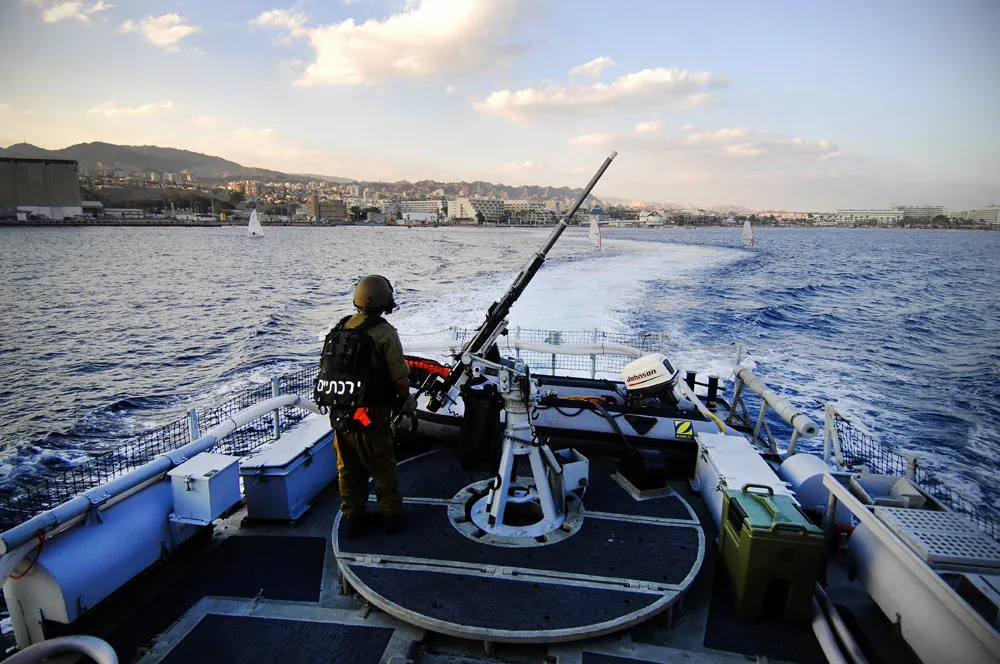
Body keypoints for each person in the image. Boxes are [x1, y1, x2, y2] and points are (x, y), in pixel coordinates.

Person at [328, 275, 415, 538]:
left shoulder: (341, 327)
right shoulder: (385, 333)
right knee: (381, 463)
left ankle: (353, 517)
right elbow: (399, 378)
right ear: (384, 300)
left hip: (341, 413)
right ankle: (390, 516)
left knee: (348, 466)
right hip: (371, 415)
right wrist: (405, 402)